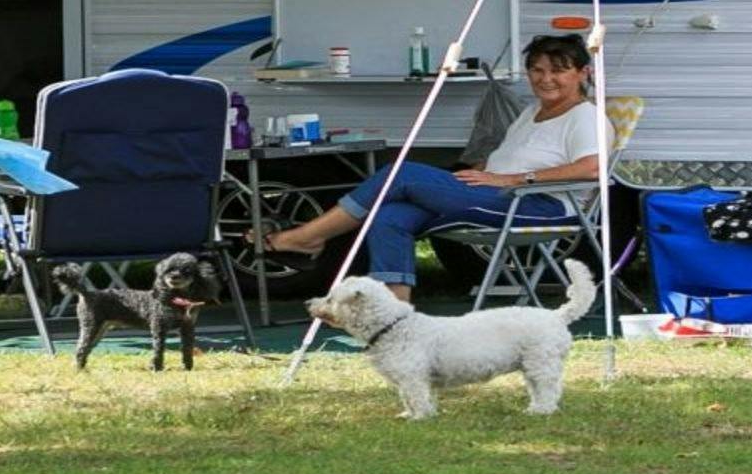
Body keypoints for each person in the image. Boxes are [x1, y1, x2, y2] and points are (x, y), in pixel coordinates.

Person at [257, 34, 614, 302]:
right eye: (537, 70)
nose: (545, 78)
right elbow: (503, 160)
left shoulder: (585, 116)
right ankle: (394, 314)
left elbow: (592, 168)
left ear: (583, 73)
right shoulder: (531, 112)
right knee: (391, 215)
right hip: (499, 194)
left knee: (400, 173)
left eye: (558, 70)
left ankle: (309, 236)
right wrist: (465, 177)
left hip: (541, 206)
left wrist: (509, 178)